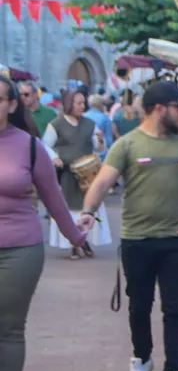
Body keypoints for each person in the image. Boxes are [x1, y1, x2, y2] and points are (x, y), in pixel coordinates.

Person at [77, 81, 178, 371]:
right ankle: (141, 357)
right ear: (160, 108)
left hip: (177, 241)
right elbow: (104, 181)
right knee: (139, 306)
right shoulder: (127, 145)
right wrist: (88, 212)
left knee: (175, 308)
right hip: (137, 240)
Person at [0, 76, 88, 371]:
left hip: (20, 247)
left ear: (10, 105)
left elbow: (53, 199)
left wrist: (76, 237)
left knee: (9, 327)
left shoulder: (30, 146)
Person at [43, 88, 112, 257]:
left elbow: (98, 147)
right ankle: (74, 242)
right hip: (68, 175)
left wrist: (101, 140)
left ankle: (86, 240)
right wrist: (54, 158)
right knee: (70, 209)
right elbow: (45, 145)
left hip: (88, 176)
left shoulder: (89, 124)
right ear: (69, 104)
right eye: (78, 102)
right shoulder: (56, 125)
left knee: (90, 208)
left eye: (83, 102)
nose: (82, 106)